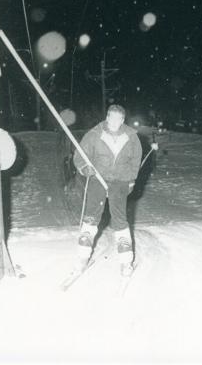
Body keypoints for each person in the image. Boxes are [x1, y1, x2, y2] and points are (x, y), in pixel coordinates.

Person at [73, 104, 142, 276]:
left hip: (120, 181)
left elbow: (135, 160)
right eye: (111, 117)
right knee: (91, 215)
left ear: (123, 120)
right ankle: (82, 258)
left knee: (119, 218)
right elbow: (80, 155)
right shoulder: (95, 134)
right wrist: (84, 167)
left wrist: (131, 180)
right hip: (98, 178)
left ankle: (126, 261)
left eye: (118, 118)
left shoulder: (131, 137)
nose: (114, 121)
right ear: (107, 117)